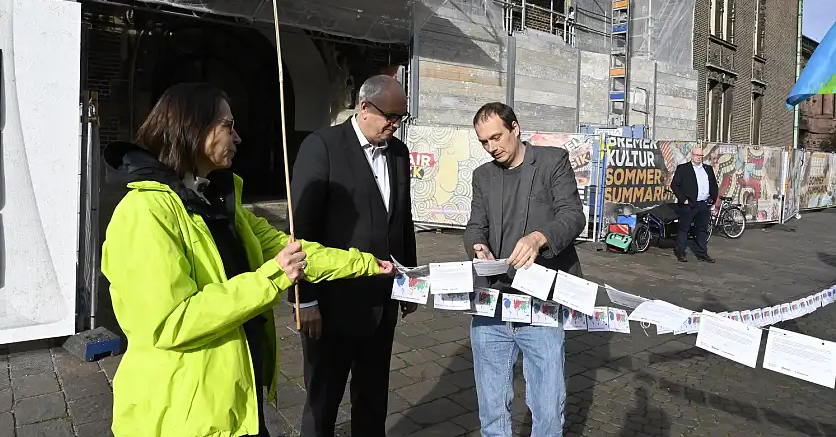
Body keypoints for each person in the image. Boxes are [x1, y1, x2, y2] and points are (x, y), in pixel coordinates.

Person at [101, 83, 393, 437]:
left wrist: (364, 264)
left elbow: (293, 249)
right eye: (228, 125)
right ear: (194, 128)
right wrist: (272, 278)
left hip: (235, 402)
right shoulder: (144, 213)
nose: (237, 137)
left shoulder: (217, 203)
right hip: (184, 411)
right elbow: (169, 323)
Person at [289, 75, 418, 437]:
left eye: (400, 119)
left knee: (373, 398)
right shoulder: (323, 146)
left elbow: (401, 218)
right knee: (322, 402)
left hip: (382, 300)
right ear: (364, 107)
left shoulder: (398, 152)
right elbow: (301, 227)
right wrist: (304, 298)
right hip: (331, 305)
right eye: (389, 117)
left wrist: (409, 281)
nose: (394, 125)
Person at [463, 102, 586, 437]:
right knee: (491, 407)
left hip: (541, 303)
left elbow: (573, 215)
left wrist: (538, 238)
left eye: (497, 137)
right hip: (493, 303)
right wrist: (477, 245)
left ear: (515, 127)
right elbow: (475, 225)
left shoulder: (552, 161)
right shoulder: (482, 177)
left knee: (547, 409)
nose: (492, 147)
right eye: (484, 142)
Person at [670, 146, 718, 263]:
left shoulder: (707, 169)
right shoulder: (683, 169)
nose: (698, 158)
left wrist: (713, 198)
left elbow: (713, 185)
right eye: (696, 155)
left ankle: (702, 253)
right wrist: (683, 199)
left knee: (702, 230)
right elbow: (674, 185)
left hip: (704, 204)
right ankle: (681, 252)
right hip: (689, 204)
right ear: (692, 155)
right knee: (684, 229)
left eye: (701, 156)